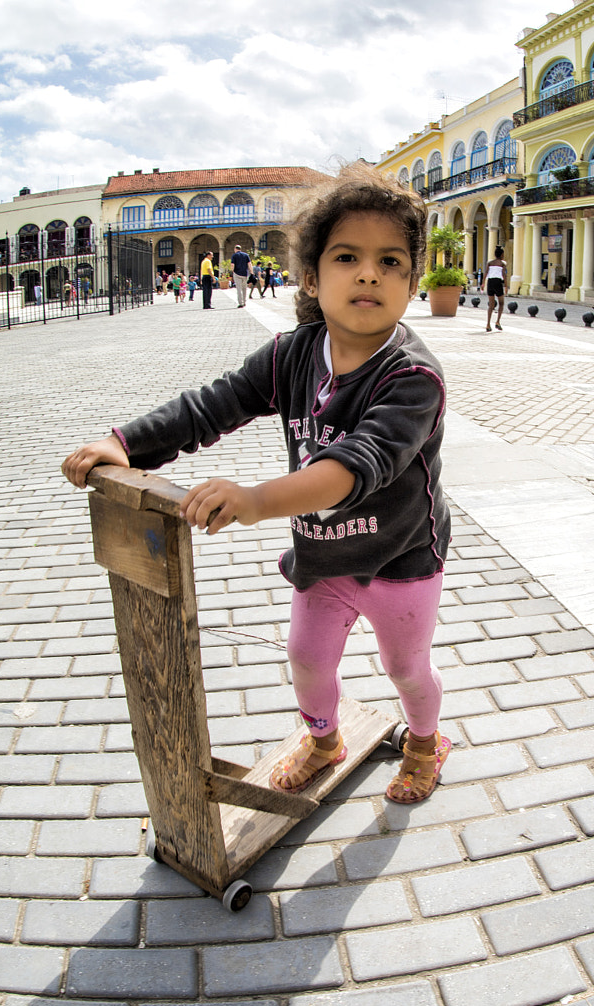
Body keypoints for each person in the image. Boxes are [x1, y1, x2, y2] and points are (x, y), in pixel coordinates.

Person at [61, 165, 453, 803]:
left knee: (405, 668)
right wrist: (126, 443)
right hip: (323, 556)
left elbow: (357, 465)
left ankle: (423, 741)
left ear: (410, 280)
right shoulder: (292, 354)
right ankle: (324, 739)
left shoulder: (414, 378)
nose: (369, 273)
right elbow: (215, 404)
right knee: (305, 659)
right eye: (347, 256)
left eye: (391, 261)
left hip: (402, 558)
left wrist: (254, 501)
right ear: (310, 276)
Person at [483, 246, 508, 332]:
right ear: (501, 254)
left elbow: (486, 272)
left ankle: (488, 324)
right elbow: (504, 275)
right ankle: (497, 322)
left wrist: (483, 283)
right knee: (501, 303)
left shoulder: (490, 263)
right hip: (498, 282)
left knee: (491, 304)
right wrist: (506, 286)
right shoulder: (503, 263)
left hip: (490, 282)